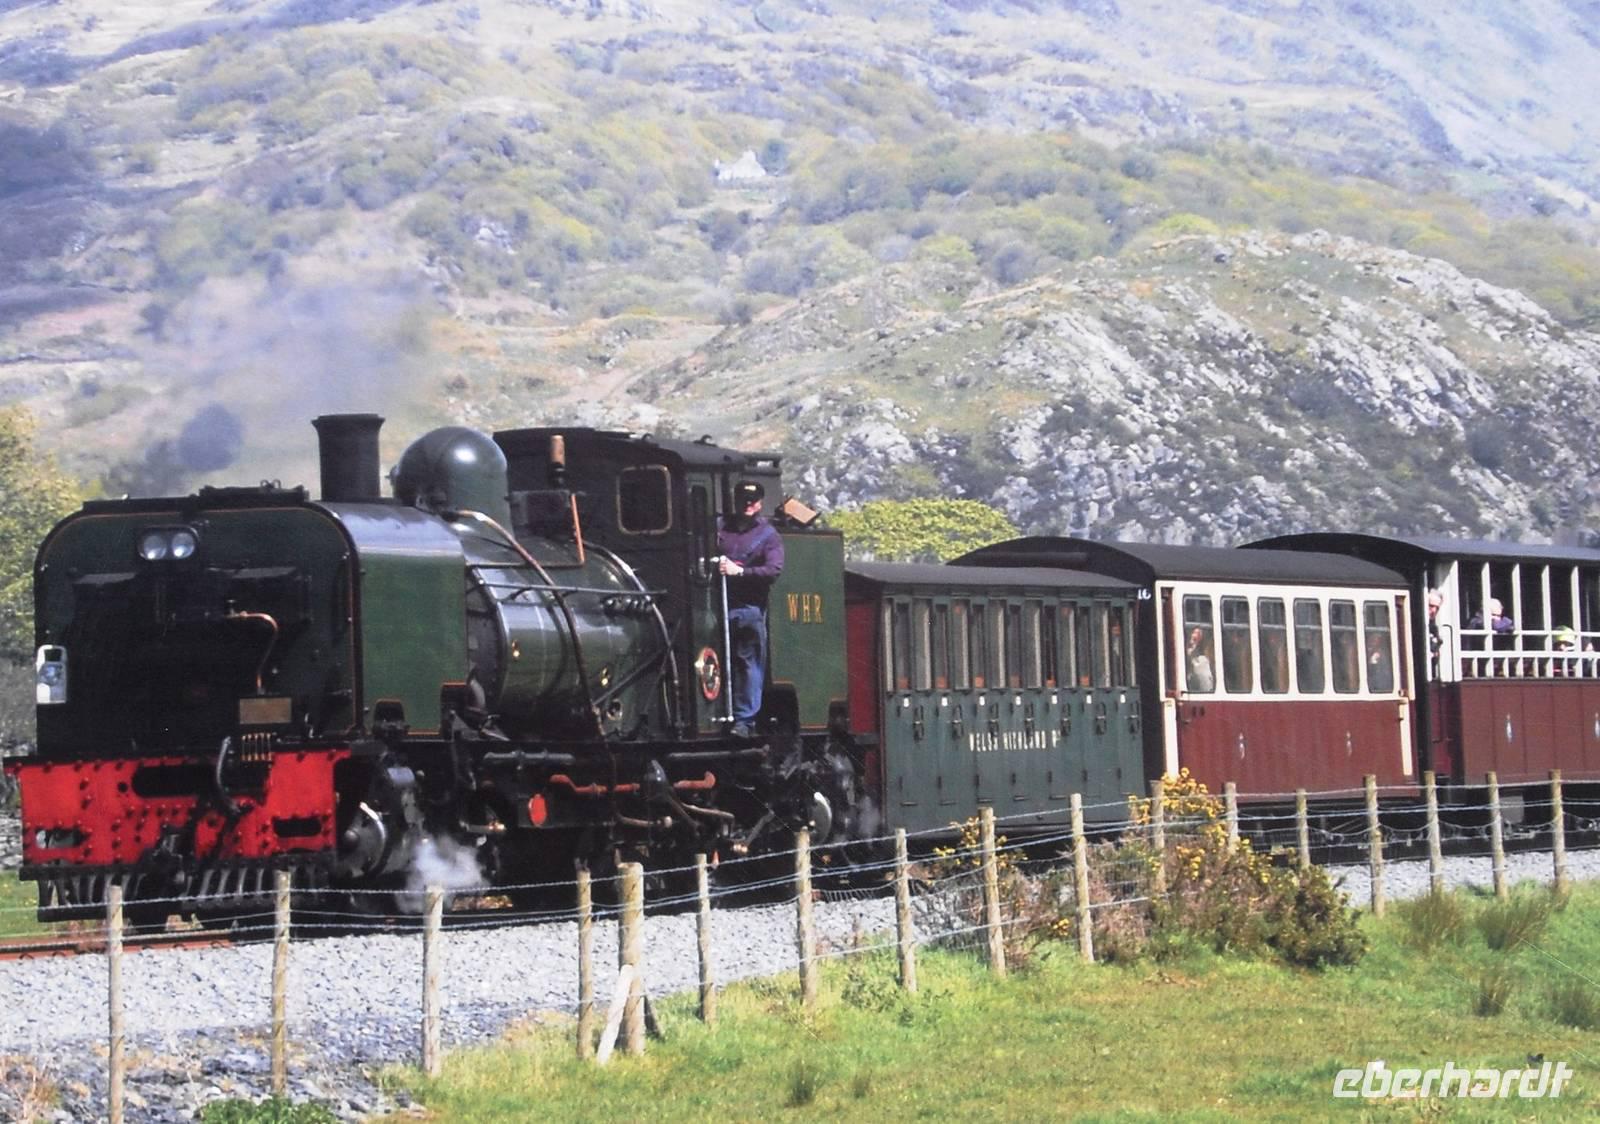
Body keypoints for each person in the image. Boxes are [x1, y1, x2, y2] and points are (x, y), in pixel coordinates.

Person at [718, 480, 784, 736]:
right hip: (716, 605)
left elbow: (773, 570)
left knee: (747, 661)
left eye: (753, 501)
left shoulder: (769, 536)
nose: (748, 505)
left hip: (748, 607)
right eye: (743, 500)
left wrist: (740, 572)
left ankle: (745, 719)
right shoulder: (720, 529)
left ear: (760, 503)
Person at [1185, 626, 1215, 693]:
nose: (1191, 642)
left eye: (1194, 640)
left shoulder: (1202, 661)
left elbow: (1205, 688)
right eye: (1189, 639)